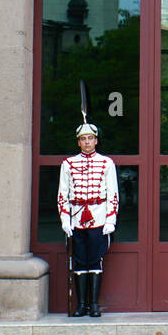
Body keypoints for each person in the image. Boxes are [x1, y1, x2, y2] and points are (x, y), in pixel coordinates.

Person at [58, 123, 119, 317]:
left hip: (98, 216)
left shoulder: (106, 163)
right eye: (83, 139)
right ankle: (81, 304)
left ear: (96, 141)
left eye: (90, 138)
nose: (87, 142)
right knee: (79, 261)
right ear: (78, 142)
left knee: (95, 260)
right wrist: (65, 219)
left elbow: (113, 194)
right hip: (76, 218)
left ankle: (93, 304)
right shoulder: (68, 164)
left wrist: (111, 219)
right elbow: (62, 194)